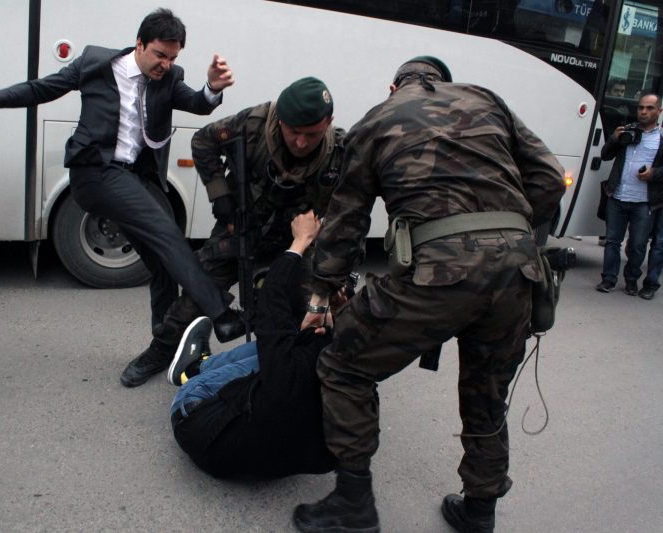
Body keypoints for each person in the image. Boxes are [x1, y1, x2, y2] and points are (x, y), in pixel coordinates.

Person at [292, 57, 565, 533]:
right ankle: (480, 511)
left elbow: (347, 222)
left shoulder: (377, 118)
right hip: (518, 272)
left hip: (439, 274)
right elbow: (547, 177)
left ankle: (353, 504)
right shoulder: (486, 99)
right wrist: (508, 236)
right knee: (487, 392)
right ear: (446, 83)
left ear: (393, 85)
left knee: (342, 366)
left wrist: (323, 293)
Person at [0, 8, 246, 370]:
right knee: (166, 231)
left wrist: (211, 87)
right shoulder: (96, 64)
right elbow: (42, 88)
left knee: (163, 261)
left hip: (137, 177)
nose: (165, 64)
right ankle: (222, 313)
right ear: (140, 44)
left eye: (173, 57)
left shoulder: (169, 78)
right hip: (94, 173)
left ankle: (162, 348)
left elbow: (197, 104)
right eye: (160, 55)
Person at [119, 76, 346, 387]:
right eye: (294, 132)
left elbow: (349, 215)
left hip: (298, 243)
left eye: (313, 134)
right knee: (197, 292)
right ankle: (161, 350)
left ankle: (293, 370)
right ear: (280, 119)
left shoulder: (340, 151)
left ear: (328, 122)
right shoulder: (254, 124)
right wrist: (220, 196)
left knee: (306, 310)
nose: (302, 143)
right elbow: (203, 141)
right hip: (240, 227)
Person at [168, 210, 344, 479]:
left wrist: (301, 241)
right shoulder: (359, 382)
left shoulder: (287, 362)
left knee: (264, 356)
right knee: (274, 364)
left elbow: (273, 294)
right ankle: (200, 368)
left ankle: (192, 371)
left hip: (198, 433)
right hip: (273, 467)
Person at [595, 93, 663, 296]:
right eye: (641, 107)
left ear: (658, 111)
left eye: (649, 108)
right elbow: (605, 155)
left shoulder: (661, 138)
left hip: (644, 202)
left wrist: (653, 173)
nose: (644, 111)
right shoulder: (628, 132)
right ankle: (608, 279)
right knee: (612, 241)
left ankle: (632, 280)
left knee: (637, 245)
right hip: (617, 195)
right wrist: (615, 139)